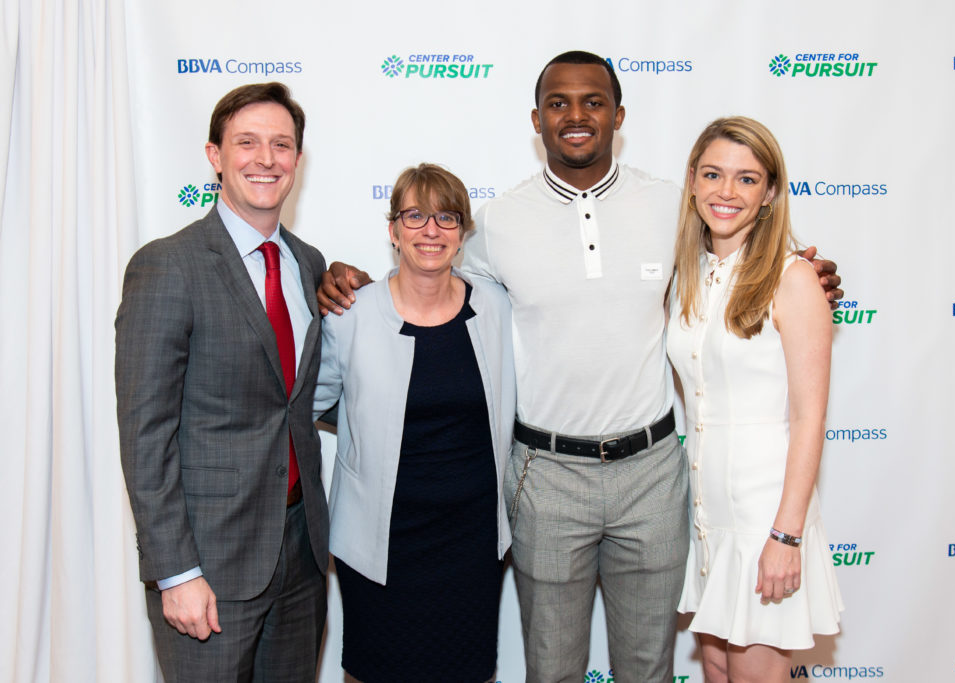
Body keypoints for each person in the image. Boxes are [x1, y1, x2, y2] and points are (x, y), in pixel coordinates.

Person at [318, 51, 843, 683]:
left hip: (653, 474)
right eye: (557, 103)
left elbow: (739, 263)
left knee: (647, 668)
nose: (575, 115)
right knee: (552, 668)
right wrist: (350, 288)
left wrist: (809, 277)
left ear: (618, 115)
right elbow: (430, 280)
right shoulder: (496, 223)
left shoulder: (675, 206)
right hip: (546, 476)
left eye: (593, 101)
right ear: (535, 120)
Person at [115, 82, 329, 682]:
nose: (266, 159)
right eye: (247, 143)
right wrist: (176, 573)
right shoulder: (168, 266)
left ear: (297, 160)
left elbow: (301, 397)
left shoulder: (307, 262)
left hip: (301, 550)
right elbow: (144, 433)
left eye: (281, 145)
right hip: (208, 561)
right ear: (215, 156)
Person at [314, 164, 515, 683]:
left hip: (470, 541)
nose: (431, 230)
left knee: (466, 672)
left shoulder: (495, 306)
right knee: (373, 670)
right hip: (380, 540)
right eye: (415, 216)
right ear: (394, 231)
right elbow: (311, 402)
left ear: (464, 232)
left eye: (447, 217)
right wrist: (374, 418)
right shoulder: (351, 314)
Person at [667, 116, 843, 683]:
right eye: (714, 174)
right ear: (692, 180)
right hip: (709, 515)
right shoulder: (692, 274)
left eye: (747, 179)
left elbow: (808, 415)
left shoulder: (793, 279)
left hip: (765, 518)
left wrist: (786, 536)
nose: (726, 192)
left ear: (769, 193)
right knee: (717, 667)